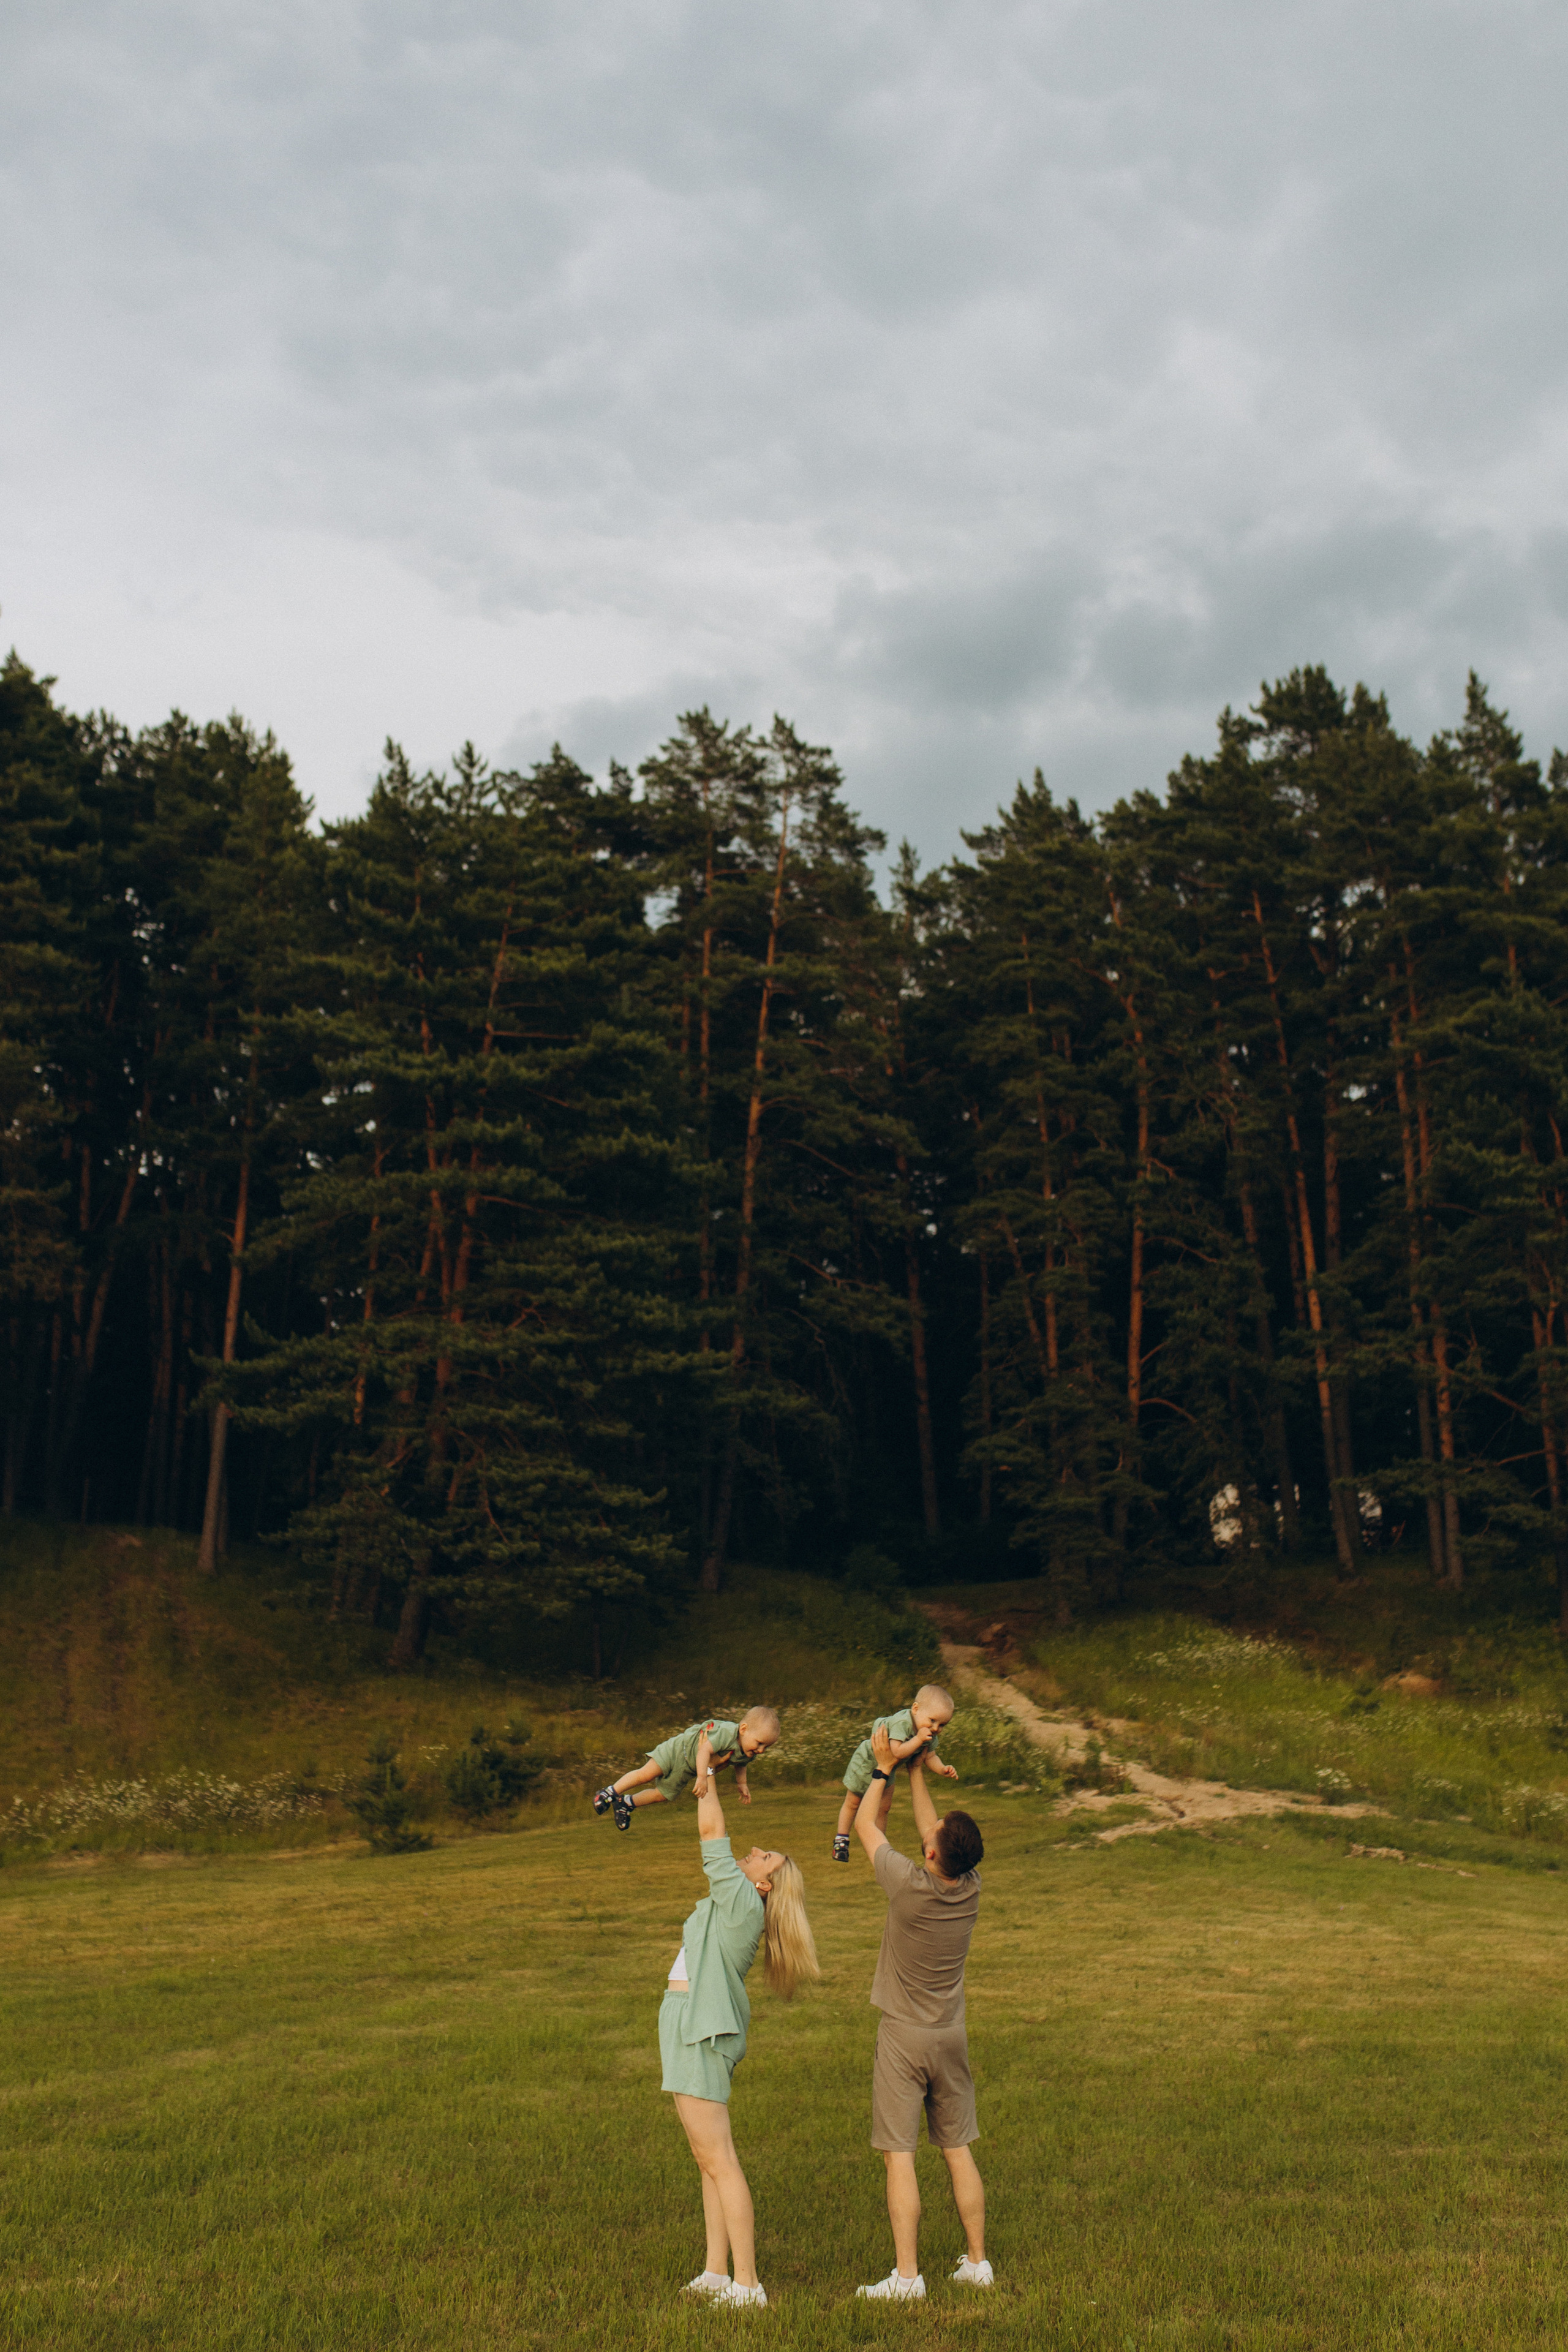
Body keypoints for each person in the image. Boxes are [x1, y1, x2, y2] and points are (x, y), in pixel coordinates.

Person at [660, 1728, 819, 2309]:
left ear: (765, 1882)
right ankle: (716, 2272)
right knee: (707, 2160)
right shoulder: (741, 1896)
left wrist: (705, 1767)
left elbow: (711, 1832)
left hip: (702, 2031)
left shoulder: (739, 1898)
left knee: (720, 2160)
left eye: (767, 1857)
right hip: (687, 2024)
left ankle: (748, 2285)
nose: (757, 1851)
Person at [852, 1719, 991, 2300]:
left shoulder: (907, 1885)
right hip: (950, 2035)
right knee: (957, 2148)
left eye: (930, 1834)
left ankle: (908, 2278)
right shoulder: (971, 1886)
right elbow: (932, 1832)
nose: (925, 1832)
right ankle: (978, 2264)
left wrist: (882, 1767)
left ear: (931, 1853)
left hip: (904, 2039)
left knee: (900, 2156)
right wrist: (916, 1772)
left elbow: (864, 1823)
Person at [593, 1706, 780, 1830]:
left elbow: (740, 1765)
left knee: (663, 1795)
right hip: (678, 1751)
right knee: (646, 1774)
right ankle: (608, 1792)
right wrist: (701, 1777)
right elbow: (704, 1750)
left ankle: (625, 1803)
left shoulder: (749, 1751)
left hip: (687, 1769)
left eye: (767, 1747)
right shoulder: (727, 1734)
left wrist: (742, 1784)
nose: (761, 1750)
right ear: (744, 1729)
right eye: (760, 1743)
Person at [832, 1685, 959, 1861]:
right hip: (867, 1762)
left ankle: (878, 1845)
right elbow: (897, 1752)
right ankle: (841, 1840)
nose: (936, 1728)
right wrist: (918, 1739)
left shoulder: (928, 1733)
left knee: (884, 1808)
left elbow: (930, 1757)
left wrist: (943, 1768)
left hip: (888, 1767)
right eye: (933, 1721)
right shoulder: (903, 1724)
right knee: (853, 1802)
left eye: (942, 1725)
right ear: (916, 1709)